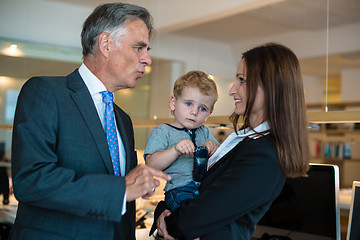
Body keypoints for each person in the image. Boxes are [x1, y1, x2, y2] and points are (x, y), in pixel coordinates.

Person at [10, 3, 170, 240]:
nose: (147, 59)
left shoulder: (123, 120)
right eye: (139, 48)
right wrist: (121, 188)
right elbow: (31, 180)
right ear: (105, 44)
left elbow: (120, 199)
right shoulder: (45, 92)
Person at [150, 43, 310, 240]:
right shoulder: (245, 140)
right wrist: (162, 212)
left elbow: (198, 216)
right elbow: (197, 194)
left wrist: (165, 220)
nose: (232, 90)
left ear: (269, 87)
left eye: (242, 80)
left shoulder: (264, 155)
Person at [144, 71, 219, 212]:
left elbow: (222, 158)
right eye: (189, 104)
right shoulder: (163, 131)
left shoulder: (205, 132)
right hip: (179, 192)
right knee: (193, 218)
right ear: (173, 103)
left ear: (208, 115)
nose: (194, 112)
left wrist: (214, 147)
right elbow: (151, 165)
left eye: (202, 108)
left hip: (204, 190)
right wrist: (175, 151)